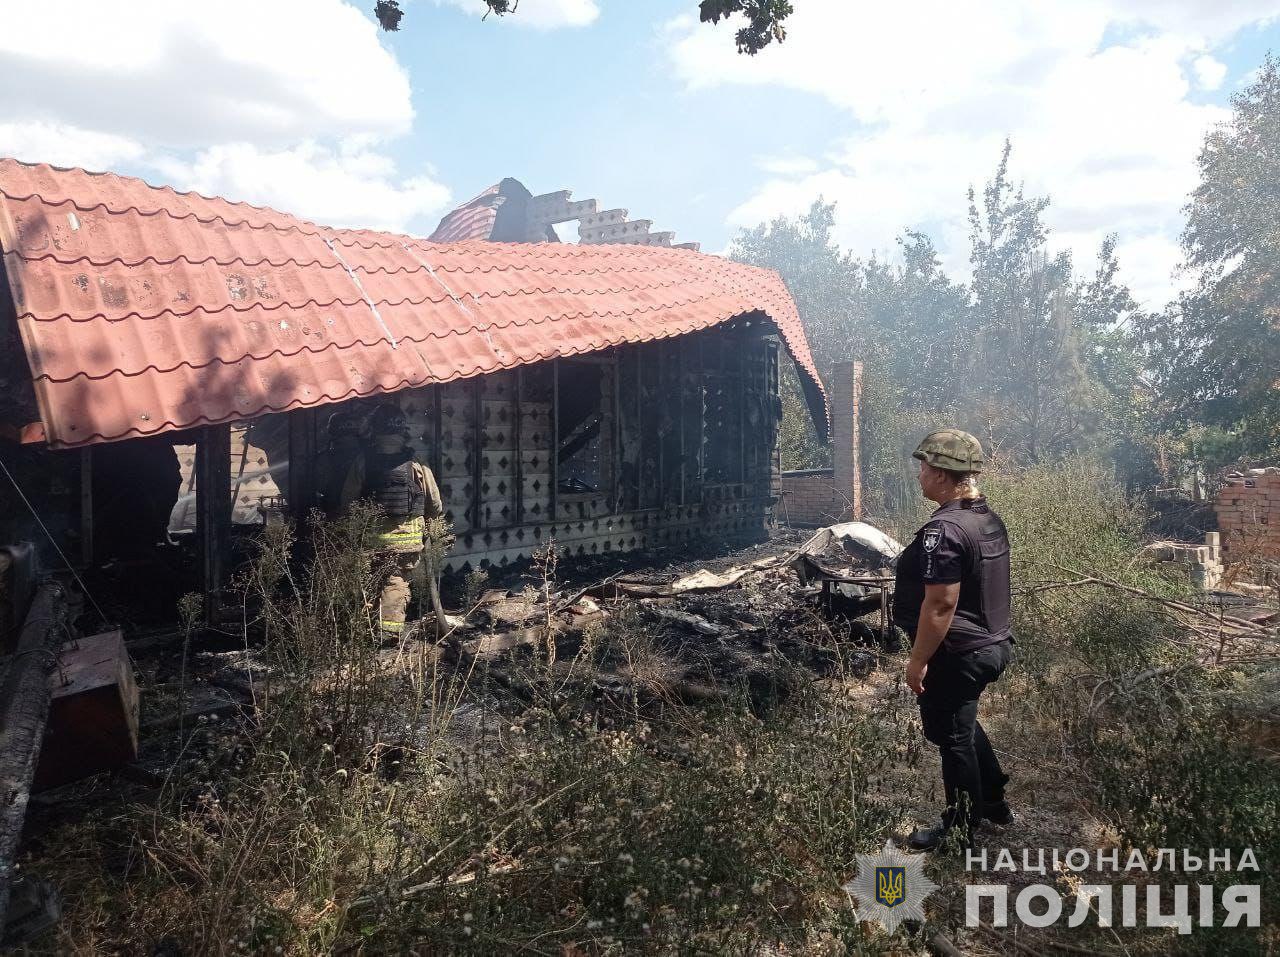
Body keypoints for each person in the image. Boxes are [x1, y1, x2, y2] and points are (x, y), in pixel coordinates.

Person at [893, 429, 1014, 852]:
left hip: (957, 653)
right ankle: (994, 799)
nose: (920, 474)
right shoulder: (985, 519)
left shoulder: (945, 530)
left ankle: (961, 829)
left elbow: (941, 605)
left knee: (951, 736)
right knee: (961, 721)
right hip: (991, 644)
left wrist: (917, 659)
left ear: (942, 475)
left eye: (923, 466)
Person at [361, 403, 445, 638]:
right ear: (402, 431)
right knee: (396, 583)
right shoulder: (416, 463)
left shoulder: (363, 462)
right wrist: (431, 524)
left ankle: (366, 634)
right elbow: (435, 502)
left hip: (372, 541)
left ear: (375, 430)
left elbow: (348, 500)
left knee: (371, 583)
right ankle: (388, 637)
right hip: (406, 542)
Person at [315, 410, 366, 521]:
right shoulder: (367, 455)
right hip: (362, 516)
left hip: (335, 515)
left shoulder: (324, 458)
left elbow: (319, 487)